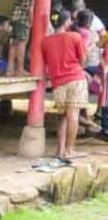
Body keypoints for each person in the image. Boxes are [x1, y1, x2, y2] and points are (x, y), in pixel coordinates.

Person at [41, 10, 88, 162]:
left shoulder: (45, 41)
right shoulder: (75, 36)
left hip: (58, 82)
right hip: (75, 78)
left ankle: (60, 151)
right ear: (67, 21)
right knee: (73, 114)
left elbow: (47, 63)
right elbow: (83, 60)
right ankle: (69, 150)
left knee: (62, 116)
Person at [8, 0, 34, 76]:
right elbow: (29, 7)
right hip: (23, 19)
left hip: (16, 17)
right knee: (22, 44)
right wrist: (31, 22)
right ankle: (19, 69)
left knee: (14, 43)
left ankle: (9, 70)